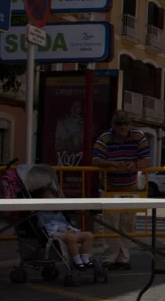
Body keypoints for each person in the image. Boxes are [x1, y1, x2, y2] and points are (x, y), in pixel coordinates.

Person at [92, 110, 150, 270]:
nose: (122, 127)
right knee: (111, 223)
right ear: (113, 125)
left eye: (125, 123)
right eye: (119, 124)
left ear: (130, 124)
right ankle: (109, 257)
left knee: (127, 222)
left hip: (130, 185)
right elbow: (95, 159)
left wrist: (136, 165)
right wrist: (112, 164)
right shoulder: (104, 139)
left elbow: (147, 159)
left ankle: (124, 257)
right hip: (110, 186)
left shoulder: (139, 136)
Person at [35, 187, 94, 269]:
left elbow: (66, 223)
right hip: (54, 233)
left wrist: (70, 228)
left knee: (89, 235)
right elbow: (42, 226)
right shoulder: (40, 214)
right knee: (71, 237)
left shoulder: (58, 213)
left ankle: (85, 258)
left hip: (66, 230)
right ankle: (76, 260)